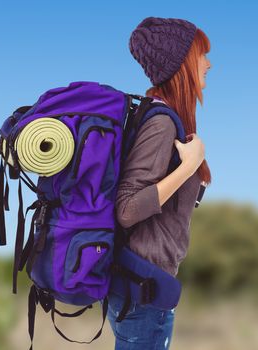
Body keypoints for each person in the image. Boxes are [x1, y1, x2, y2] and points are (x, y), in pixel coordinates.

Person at [104, 16, 212, 350]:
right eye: (201, 55)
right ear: (182, 65)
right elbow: (127, 208)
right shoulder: (162, 123)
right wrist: (188, 167)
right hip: (143, 295)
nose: (208, 64)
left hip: (143, 289)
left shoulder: (164, 118)